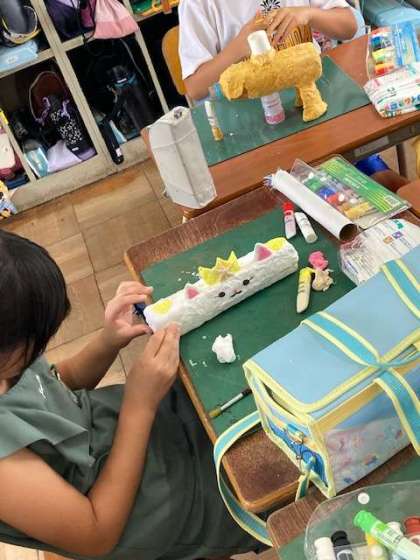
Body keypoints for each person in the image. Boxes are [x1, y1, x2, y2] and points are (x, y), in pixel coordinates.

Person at [0, 230, 259, 560]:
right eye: (31, 346)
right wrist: (139, 406)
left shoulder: (9, 361)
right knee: (258, 480)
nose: (37, 354)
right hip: (141, 509)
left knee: (222, 396)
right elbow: (96, 534)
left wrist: (108, 341)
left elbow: (54, 386)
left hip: (138, 432)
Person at [179, 0, 359, 101]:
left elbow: (349, 26)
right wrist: (238, 48)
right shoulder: (197, 4)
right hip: (249, 106)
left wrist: (309, 14)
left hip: (312, 85)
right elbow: (195, 88)